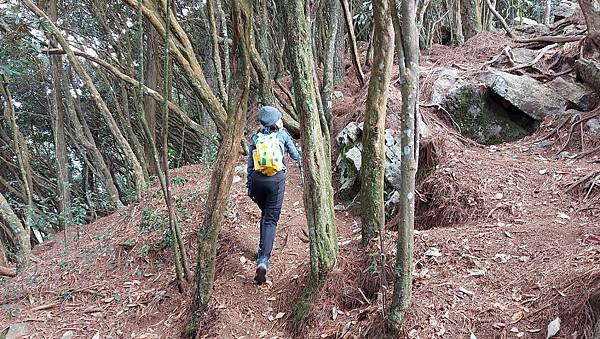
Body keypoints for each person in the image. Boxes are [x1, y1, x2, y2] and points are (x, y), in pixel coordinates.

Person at [247, 106, 301, 284]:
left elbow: (249, 166)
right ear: (276, 121)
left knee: (265, 214)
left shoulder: (255, 138)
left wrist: (250, 186)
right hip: (275, 181)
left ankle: (262, 248)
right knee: (270, 219)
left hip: (257, 182)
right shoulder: (282, 135)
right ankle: (263, 261)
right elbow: (295, 156)